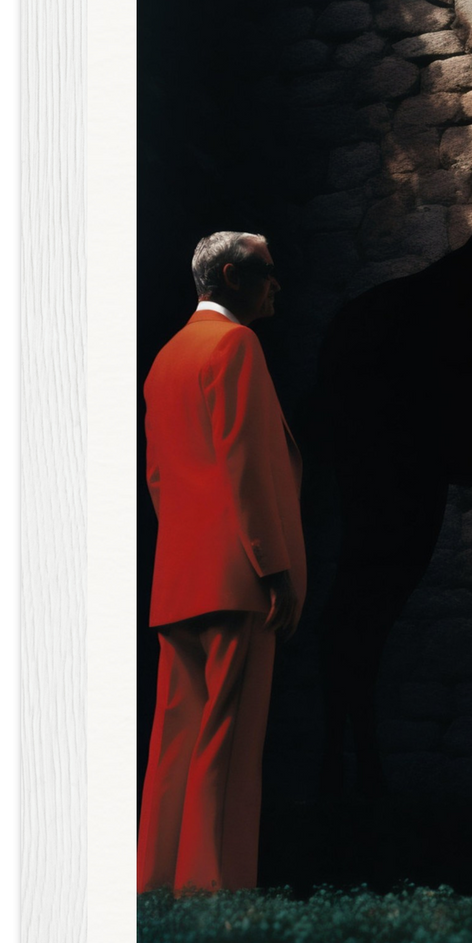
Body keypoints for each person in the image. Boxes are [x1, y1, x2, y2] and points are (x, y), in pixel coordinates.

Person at [136, 231, 307, 895]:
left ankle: (157, 882)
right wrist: (274, 568)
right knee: (228, 744)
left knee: (174, 740)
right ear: (233, 275)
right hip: (238, 579)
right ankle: (216, 892)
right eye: (267, 272)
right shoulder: (236, 345)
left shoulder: (165, 358)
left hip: (178, 577)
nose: (276, 285)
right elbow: (243, 467)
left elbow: (157, 476)